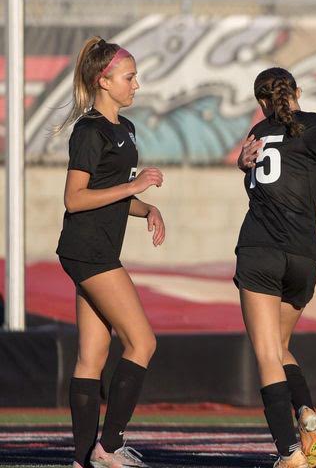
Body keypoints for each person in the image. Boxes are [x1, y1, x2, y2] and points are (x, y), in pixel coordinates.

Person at [235, 67, 316, 468]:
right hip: (303, 255)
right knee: (278, 347)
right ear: (295, 92)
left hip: (260, 249)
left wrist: (244, 167)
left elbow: (258, 178)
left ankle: (288, 451)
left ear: (262, 101)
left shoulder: (257, 131)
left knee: (266, 352)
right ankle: (306, 411)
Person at [55, 36, 165, 468]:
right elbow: (75, 199)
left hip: (94, 249)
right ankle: (110, 446)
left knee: (92, 355)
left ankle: (83, 458)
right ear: (104, 81)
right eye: (129, 77)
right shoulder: (89, 130)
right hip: (88, 250)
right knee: (142, 342)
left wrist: (145, 208)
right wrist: (135, 187)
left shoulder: (127, 130)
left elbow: (112, 195)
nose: (136, 85)